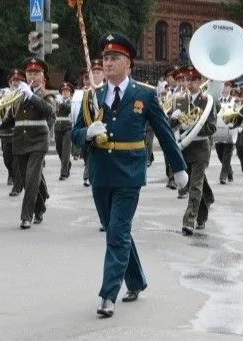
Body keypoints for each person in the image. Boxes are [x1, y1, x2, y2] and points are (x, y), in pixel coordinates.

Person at [71, 32, 188, 319]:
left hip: (129, 174)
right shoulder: (92, 96)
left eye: (114, 58)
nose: (107, 63)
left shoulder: (144, 94)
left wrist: (180, 167)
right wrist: (88, 133)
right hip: (100, 173)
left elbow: (163, 133)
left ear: (128, 63)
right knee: (114, 231)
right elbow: (74, 134)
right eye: (105, 58)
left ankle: (107, 295)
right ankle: (136, 280)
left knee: (117, 233)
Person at [3, 58, 56, 228]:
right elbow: (10, 119)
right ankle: (40, 205)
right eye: (29, 73)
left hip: (38, 141)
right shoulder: (18, 96)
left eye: (36, 73)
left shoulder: (46, 95)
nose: (32, 75)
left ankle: (26, 216)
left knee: (32, 178)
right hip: (20, 141)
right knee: (29, 180)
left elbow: (49, 111)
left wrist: (31, 95)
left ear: (42, 76)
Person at [168, 65, 216, 234]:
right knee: (192, 184)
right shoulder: (179, 100)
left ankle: (189, 220)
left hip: (201, 147)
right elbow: (170, 126)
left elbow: (212, 128)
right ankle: (203, 211)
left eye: (193, 80)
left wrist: (194, 125)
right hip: (185, 147)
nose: (189, 83)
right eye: (187, 80)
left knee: (195, 185)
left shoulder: (207, 101)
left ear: (200, 81)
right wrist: (172, 119)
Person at [54, 82, 75, 181]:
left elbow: (70, 109)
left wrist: (62, 103)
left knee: (66, 150)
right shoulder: (57, 101)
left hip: (68, 127)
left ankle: (63, 173)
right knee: (59, 149)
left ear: (70, 93)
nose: (65, 93)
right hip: (58, 126)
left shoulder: (72, 101)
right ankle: (67, 164)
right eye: (63, 91)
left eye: (67, 91)